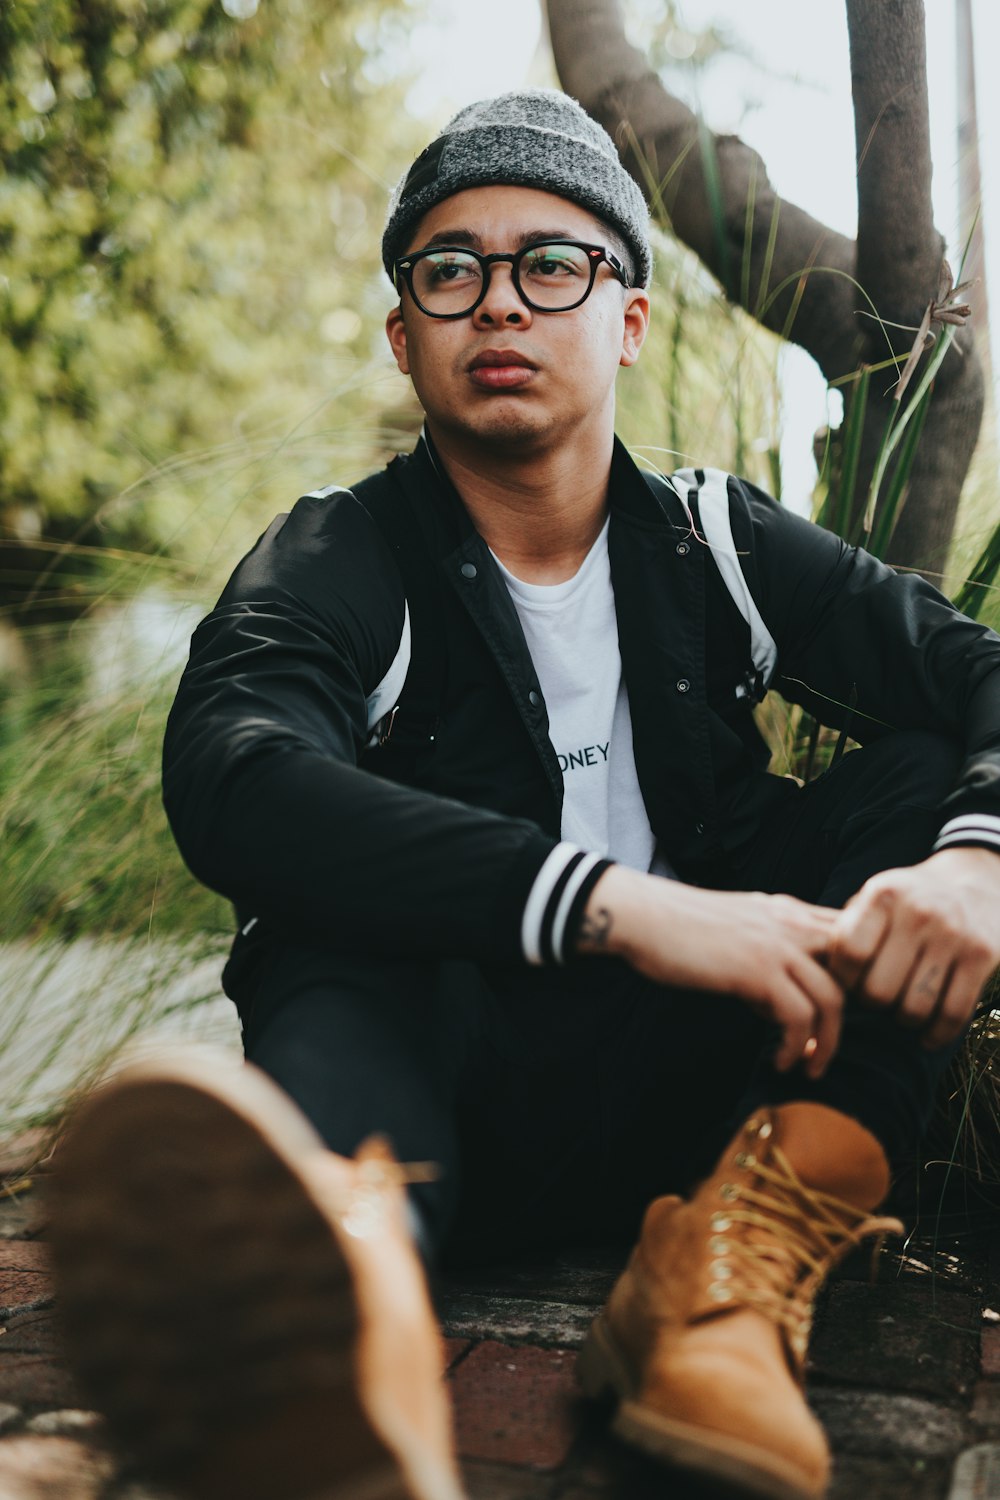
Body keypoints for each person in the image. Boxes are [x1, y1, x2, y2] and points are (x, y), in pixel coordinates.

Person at [51, 91, 1000, 1500]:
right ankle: (344, 1345)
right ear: (405, 333)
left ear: (625, 317)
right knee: (331, 917)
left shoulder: (714, 543)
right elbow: (234, 778)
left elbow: (975, 679)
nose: (500, 303)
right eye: (452, 270)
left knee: (928, 794)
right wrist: (612, 906)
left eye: (551, 264)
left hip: (719, 1093)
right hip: (437, 1104)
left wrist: (976, 862)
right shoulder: (339, 556)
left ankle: (725, 1294)